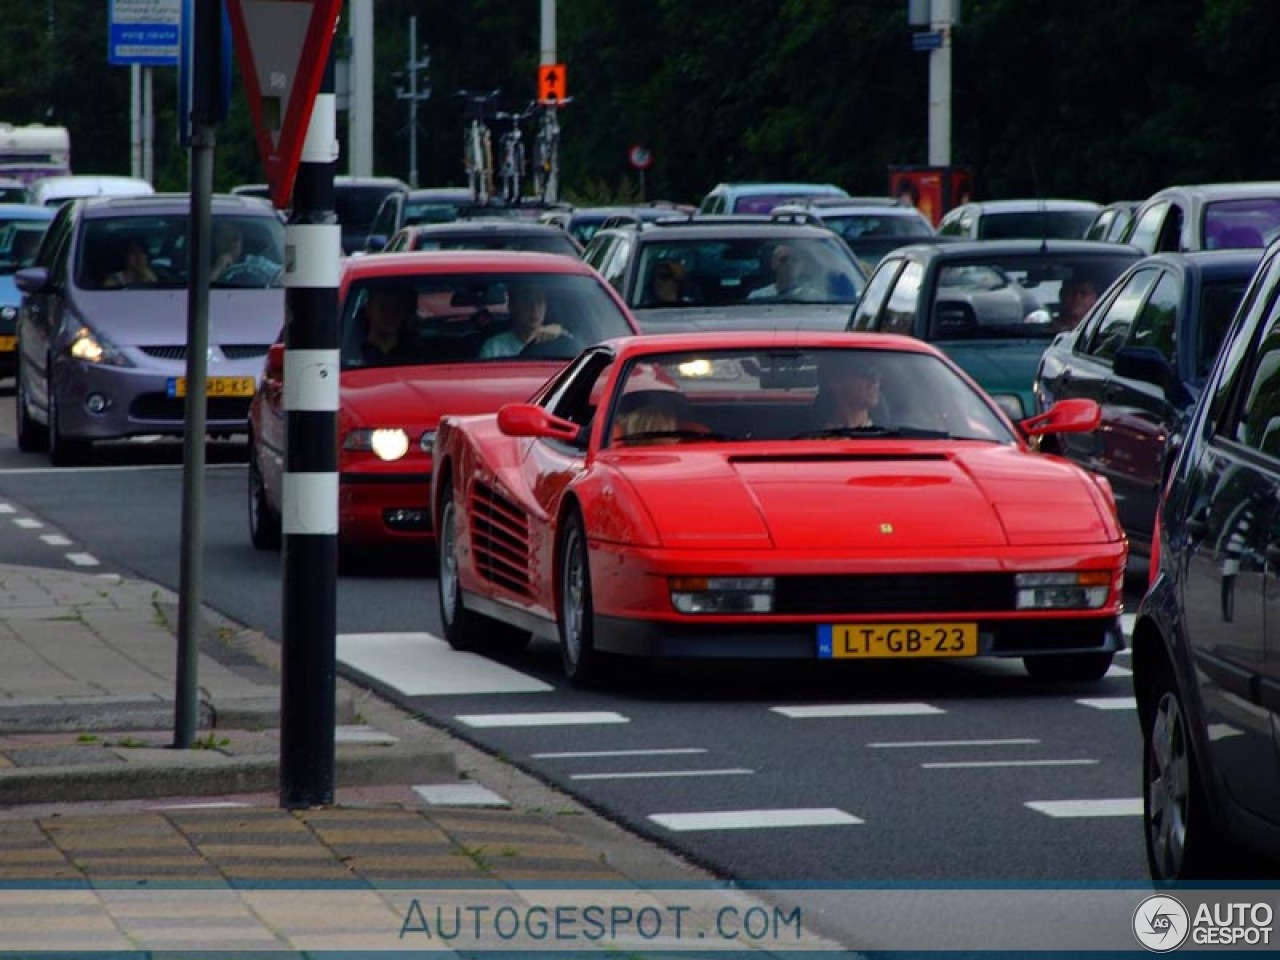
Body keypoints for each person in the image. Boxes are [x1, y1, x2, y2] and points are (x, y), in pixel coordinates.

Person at [479, 284, 567, 358]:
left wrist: (562, 333)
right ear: (512, 306)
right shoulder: (494, 348)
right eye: (527, 301)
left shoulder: (558, 341)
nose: (534, 309)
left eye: (539, 301)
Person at [812, 352, 881, 429]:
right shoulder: (812, 437)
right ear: (836, 381)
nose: (875, 381)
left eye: (876, 374)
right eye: (865, 374)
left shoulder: (888, 435)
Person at [356, 283, 418, 365]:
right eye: (383, 306)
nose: (390, 314)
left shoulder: (415, 358)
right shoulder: (353, 356)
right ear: (368, 309)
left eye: (396, 307)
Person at [747, 243, 821, 301]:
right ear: (773, 263)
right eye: (784, 260)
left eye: (794, 260)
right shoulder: (757, 296)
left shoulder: (812, 297)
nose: (789, 264)